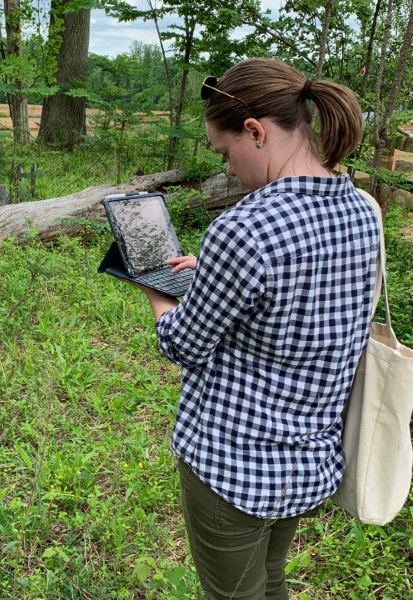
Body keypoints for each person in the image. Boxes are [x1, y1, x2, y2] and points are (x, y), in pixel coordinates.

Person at [131, 58, 381, 599]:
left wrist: (155, 293)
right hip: (307, 459)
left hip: (233, 469)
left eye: (226, 154)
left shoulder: (244, 227)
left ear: (255, 131)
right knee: (270, 582)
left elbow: (184, 344)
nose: (228, 170)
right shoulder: (362, 209)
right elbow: (309, 292)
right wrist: (215, 272)